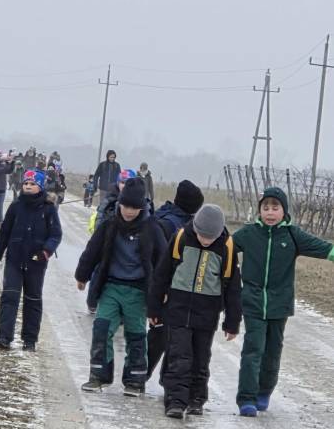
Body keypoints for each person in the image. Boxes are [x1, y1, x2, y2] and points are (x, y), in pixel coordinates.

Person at [233, 187, 334, 417]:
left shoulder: (292, 235)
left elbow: (324, 248)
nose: (270, 212)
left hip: (280, 304)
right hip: (253, 302)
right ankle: (246, 398)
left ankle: (264, 391)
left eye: (275, 207)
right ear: (259, 210)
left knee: (272, 352)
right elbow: (223, 249)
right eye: (265, 207)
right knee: (253, 350)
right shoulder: (248, 234)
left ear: (284, 211)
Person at [75, 177, 167, 397]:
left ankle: (135, 380)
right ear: (119, 204)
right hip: (111, 287)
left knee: (136, 336)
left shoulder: (152, 228)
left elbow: (164, 262)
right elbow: (92, 250)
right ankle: (98, 376)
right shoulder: (110, 225)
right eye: (125, 206)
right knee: (101, 329)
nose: (128, 211)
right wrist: (82, 275)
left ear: (142, 207)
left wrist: (163, 291)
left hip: (137, 291)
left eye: (134, 208)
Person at [148, 204, 242, 419]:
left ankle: (196, 399)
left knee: (201, 359)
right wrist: (154, 308)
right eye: (202, 235)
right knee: (179, 356)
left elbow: (233, 289)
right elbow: (161, 275)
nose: (205, 240)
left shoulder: (227, 247)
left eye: (210, 237)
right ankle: (175, 401)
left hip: (207, 314)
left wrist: (232, 322)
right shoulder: (181, 238)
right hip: (177, 309)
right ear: (195, 228)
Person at [0, 170, 62, 351]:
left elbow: (55, 234)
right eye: (26, 183)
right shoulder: (16, 206)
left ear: (41, 186)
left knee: (33, 299)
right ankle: (3, 337)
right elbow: (4, 233)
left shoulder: (48, 209)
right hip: (14, 259)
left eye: (32, 184)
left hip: (36, 262)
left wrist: (45, 251)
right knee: (10, 296)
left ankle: (29, 340)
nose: (28, 186)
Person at [147, 179, 205, 379]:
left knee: (170, 336)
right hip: (166, 287)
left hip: (173, 288)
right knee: (162, 334)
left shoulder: (167, 216)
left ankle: (164, 378)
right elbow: (160, 261)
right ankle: (141, 374)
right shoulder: (169, 224)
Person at [86, 168, 138, 313]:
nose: (124, 186)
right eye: (122, 182)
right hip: (107, 241)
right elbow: (100, 217)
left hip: (127, 245)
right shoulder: (110, 200)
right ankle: (92, 300)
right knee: (99, 271)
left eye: (128, 183)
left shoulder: (138, 202)